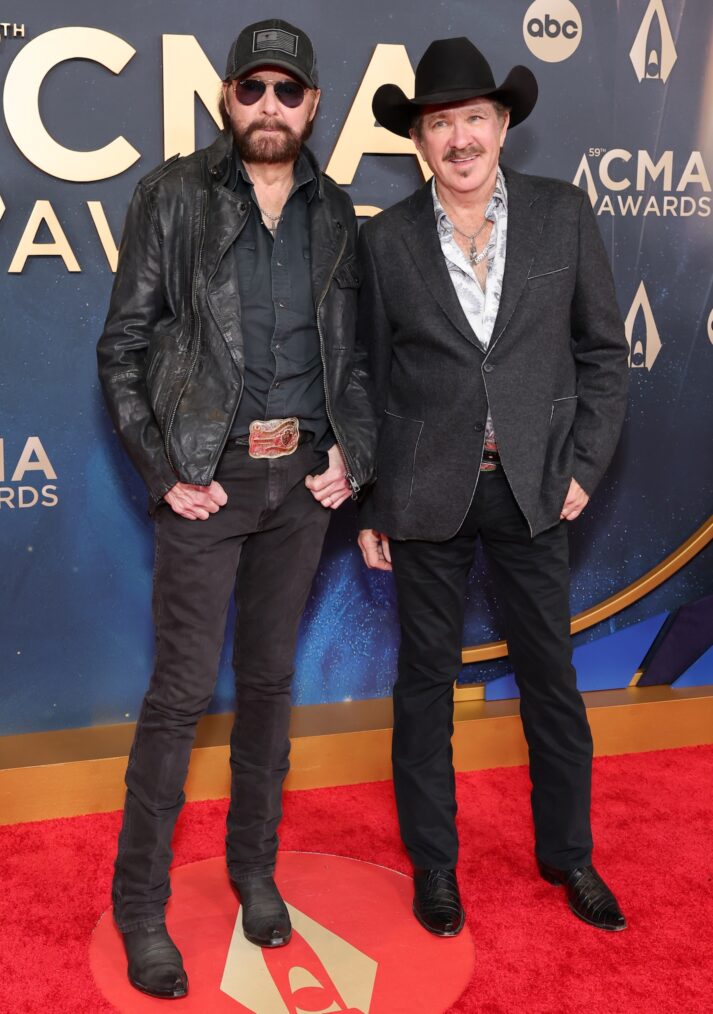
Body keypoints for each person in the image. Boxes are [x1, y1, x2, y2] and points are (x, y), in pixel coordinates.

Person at [97, 18, 375, 999]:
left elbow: (359, 364)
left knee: (267, 687)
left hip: (299, 489)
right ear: (227, 99)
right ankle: (140, 905)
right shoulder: (172, 197)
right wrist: (160, 464)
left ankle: (253, 870)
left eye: (285, 92)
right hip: (205, 485)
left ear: (310, 106)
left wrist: (353, 454)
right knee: (180, 696)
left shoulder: (337, 214)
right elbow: (121, 349)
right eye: (250, 89)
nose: (267, 107)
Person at [357, 37, 629, 939]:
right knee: (423, 687)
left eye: (474, 118)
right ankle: (435, 867)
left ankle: (569, 855)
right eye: (440, 124)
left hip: (534, 487)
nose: (459, 138)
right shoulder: (385, 241)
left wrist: (582, 465)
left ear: (503, 124)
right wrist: (368, 501)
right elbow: (364, 377)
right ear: (419, 142)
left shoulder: (561, 213)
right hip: (423, 492)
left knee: (550, 680)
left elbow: (601, 351)